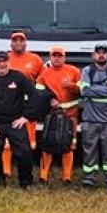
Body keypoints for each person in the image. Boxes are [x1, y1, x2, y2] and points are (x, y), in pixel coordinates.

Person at [0, 50, 40, 188]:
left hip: (15, 123)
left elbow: (35, 96)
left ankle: (26, 183)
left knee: (25, 152)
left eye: (4, 61)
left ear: (9, 62)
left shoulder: (18, 77)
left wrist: (26, 116)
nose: (1, 64)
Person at [78, 44, 107, 189]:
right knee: (89, 151)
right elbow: (84, 91)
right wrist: (105, 89)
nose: (101, 55)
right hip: (89, 119)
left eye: (104, 52)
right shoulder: (87, 71)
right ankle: (89, 179)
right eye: (98, 53)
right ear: (93, 56)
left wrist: (93, 89)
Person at [35, 46, 82, 185]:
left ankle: (67, 177)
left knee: (69, 144)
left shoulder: (74, 71)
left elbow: (81, 90)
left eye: (59, 56)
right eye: (54, 56)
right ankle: (43, 176)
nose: (56, 58)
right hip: (52, 114)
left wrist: (71, 86)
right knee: (47, 144)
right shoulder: (44, 73)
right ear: (50, 57)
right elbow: (39, 91)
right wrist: (50, 99)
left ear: (64, 57)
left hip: (71, 114)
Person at [2, 31, 45, 176]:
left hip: (27, 106)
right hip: (8, 104)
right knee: (7, 140)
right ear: (11, 43)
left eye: (21, 40)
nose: (18, 43)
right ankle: (6, 170)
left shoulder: (35, 59)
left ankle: (27, 168)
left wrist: (38, 99)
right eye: (15, 40)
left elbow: (42, 80)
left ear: (25, 43)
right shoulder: (5, 58)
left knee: (30, 140)